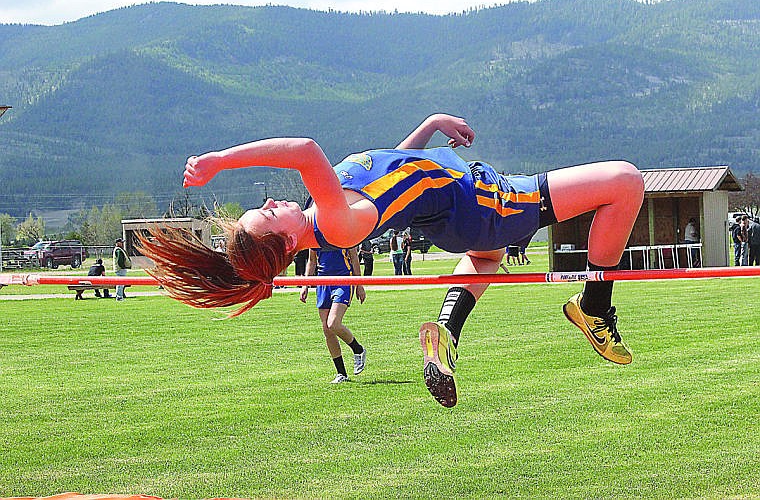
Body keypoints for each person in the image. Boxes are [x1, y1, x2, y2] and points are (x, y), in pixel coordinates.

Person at [138, 113, 644, 408]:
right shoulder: (333, 224)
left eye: (265, 205)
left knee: (486, 259)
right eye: (268, 216)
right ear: (287, 244)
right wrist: (219, 161)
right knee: (625, 183)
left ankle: (445, 331)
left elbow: (396, 167)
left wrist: (429, 126)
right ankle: (596, 306)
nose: (273, 204)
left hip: (458, 215)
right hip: (488, 205)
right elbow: (304, 150)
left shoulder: (332, 206)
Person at [299, 247, 367, 383]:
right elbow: (312, 261)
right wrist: (305, 285)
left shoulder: (345, 235)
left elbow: (354, 258)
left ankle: (358, 349)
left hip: (343, 280)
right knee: (327, 329)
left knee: (333, 323)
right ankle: (341, 373)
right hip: (323, 282)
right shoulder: (316, 236)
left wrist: (359, 285)